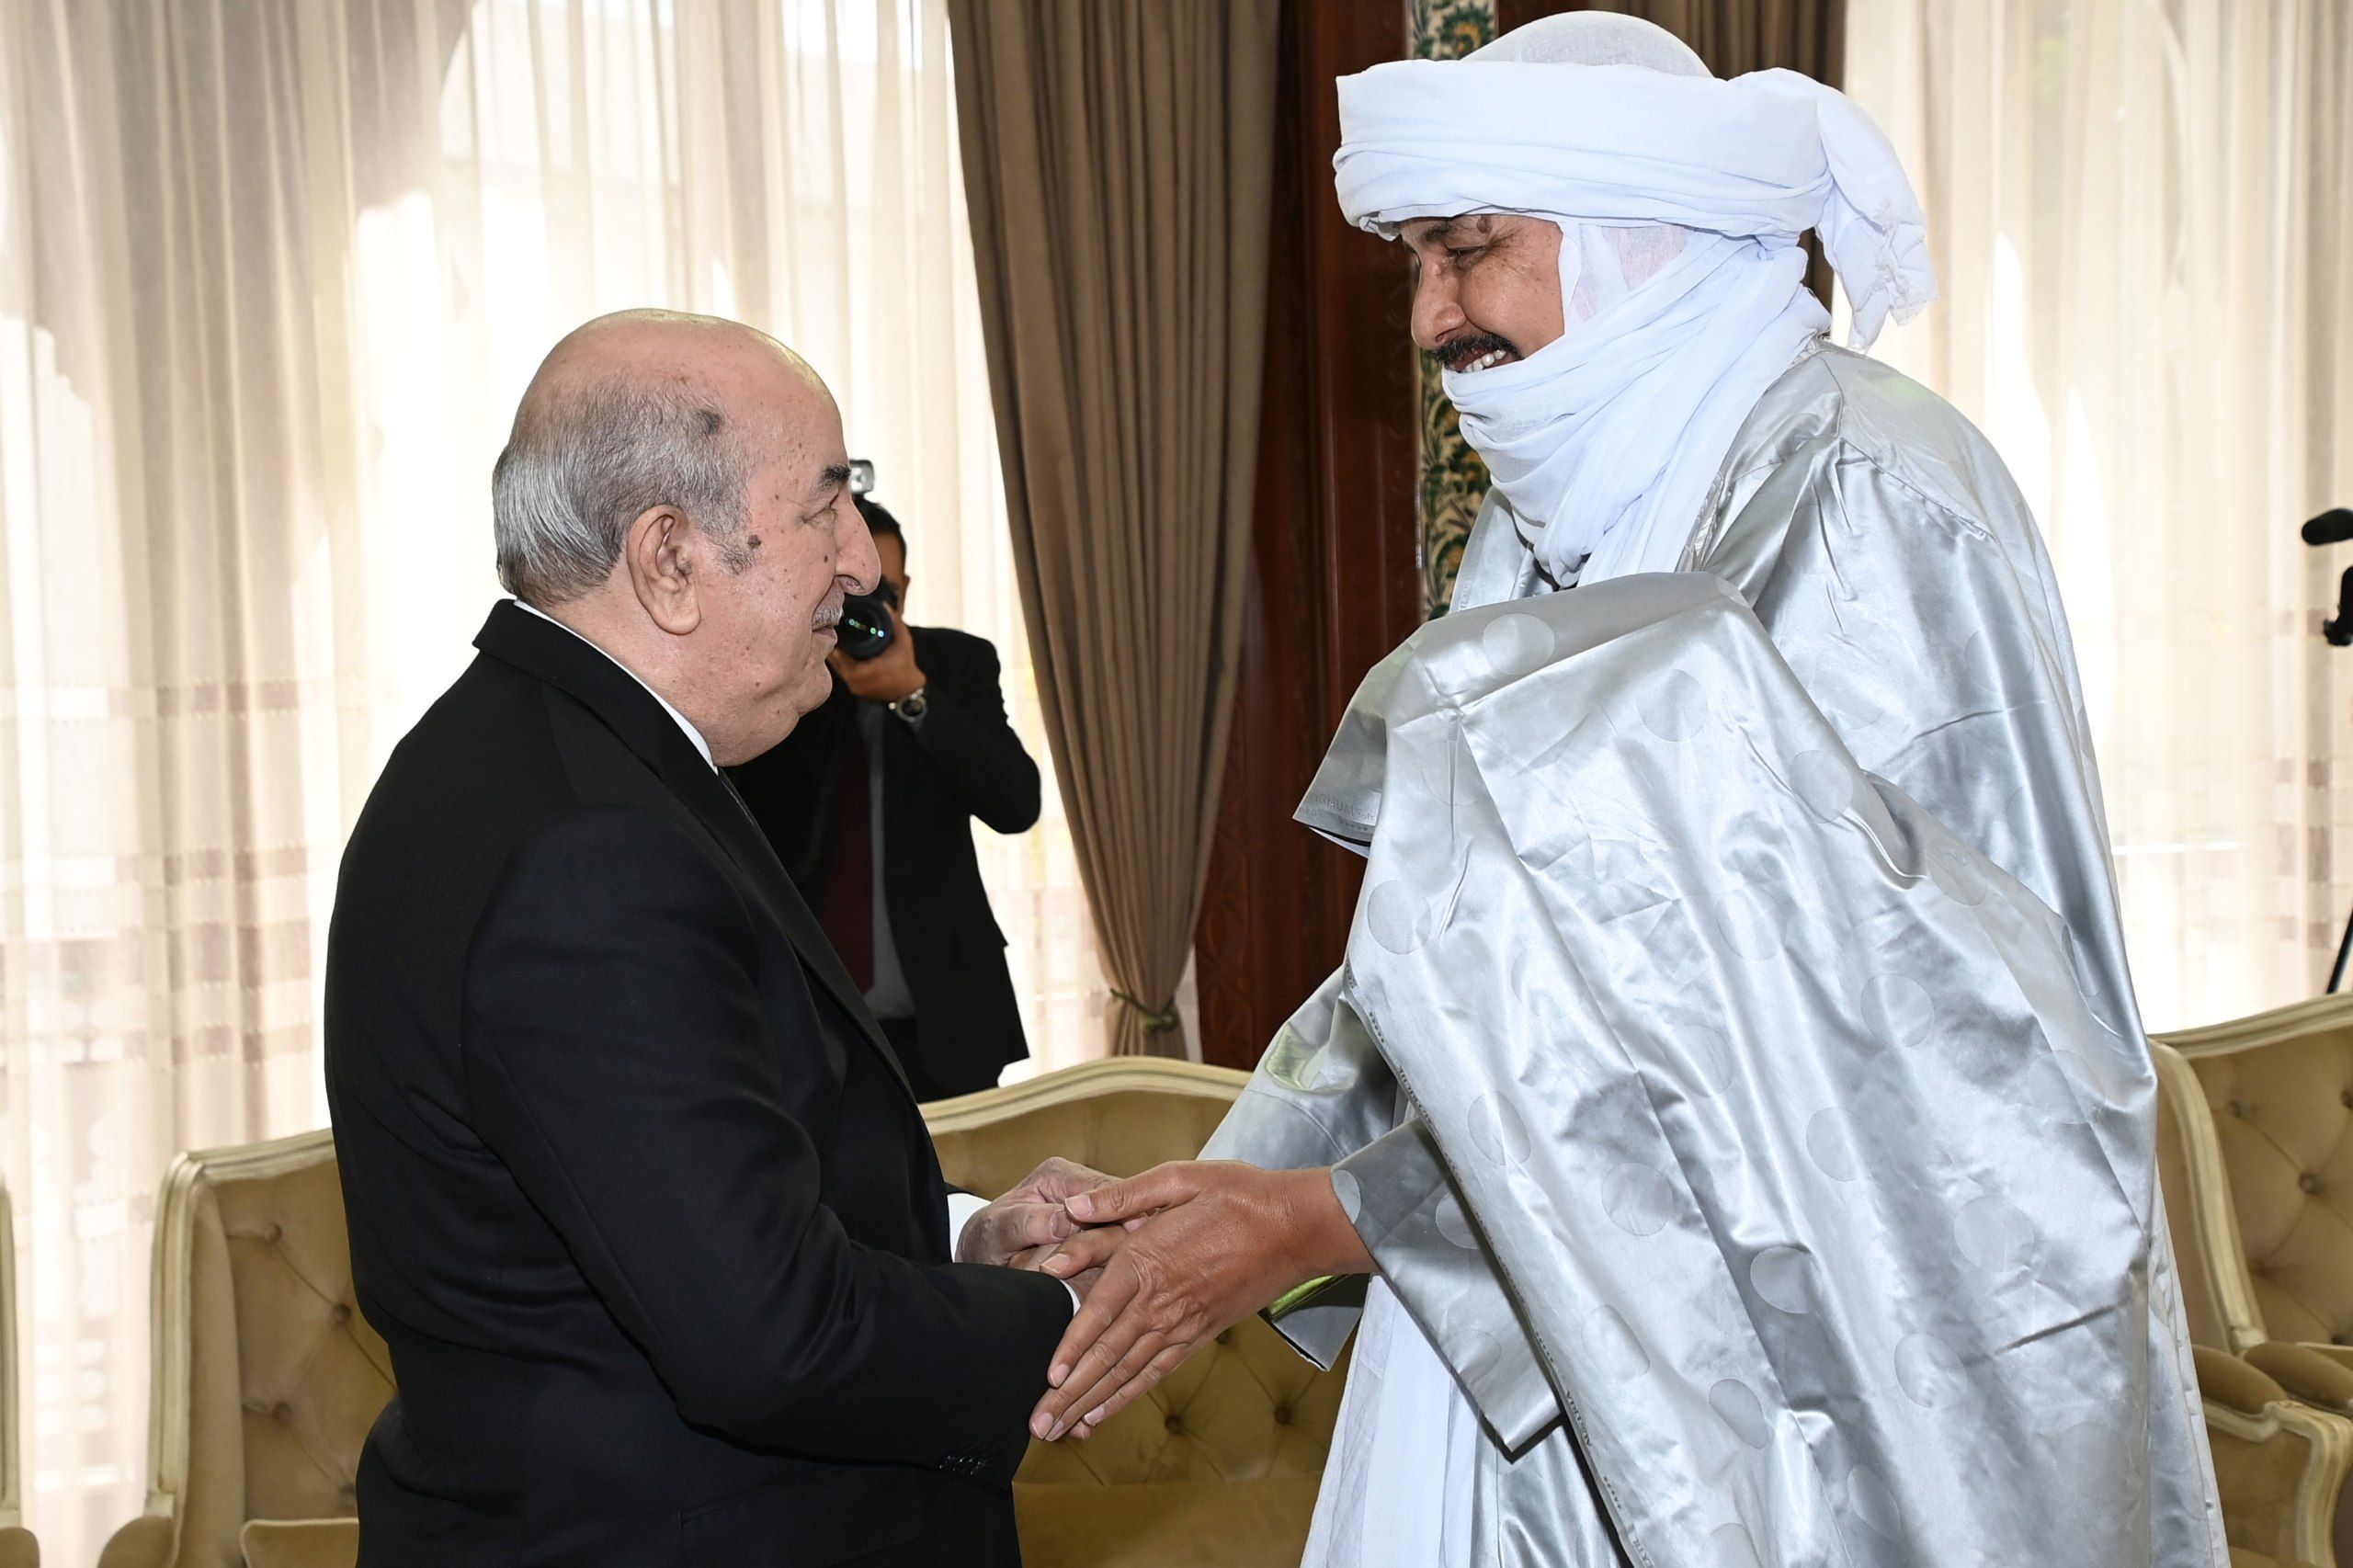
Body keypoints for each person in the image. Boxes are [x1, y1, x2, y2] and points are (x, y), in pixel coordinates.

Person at [1024, 16, 2226, 1567]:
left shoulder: (1859, 490)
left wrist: (1330, 1217)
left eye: (1469, 252)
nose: (1431, 319)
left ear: (1632, 232)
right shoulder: (1550, 520)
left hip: (1839, 1413)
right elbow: (1466, 981)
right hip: (1556, 1358)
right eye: (1416, 265)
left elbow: (1874, 1063)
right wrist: (1206, 1207)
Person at [324, 309, 1104, 1567]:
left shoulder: (544, 758)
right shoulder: (589, 846)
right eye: (823, 505)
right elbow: (770, 1337)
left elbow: (702, 1194)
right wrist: (1072, 1305)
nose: (857, 566)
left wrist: (960, 1232)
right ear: (670, 560)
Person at [732, 494, 1040, 1100]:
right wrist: (806, 677)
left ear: (905, 590)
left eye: (885, 595)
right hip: (809, 1033)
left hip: (945, 1022)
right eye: (847, 597)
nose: (866, 615)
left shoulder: (954, 664)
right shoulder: (776, 680)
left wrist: (914, 695)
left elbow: (1016, 804)